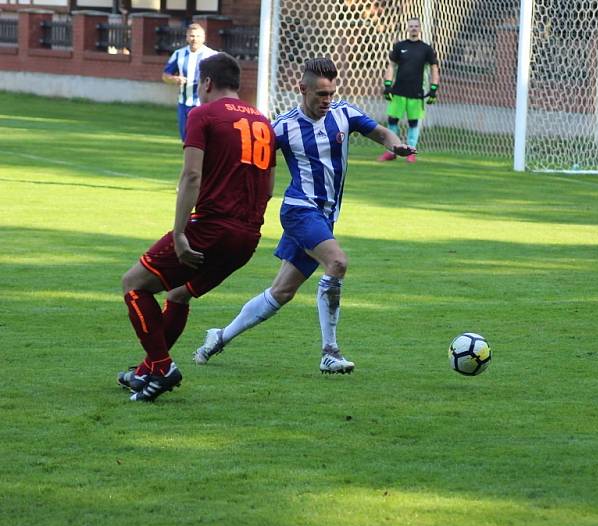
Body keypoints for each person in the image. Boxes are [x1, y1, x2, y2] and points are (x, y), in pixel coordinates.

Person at [193, 57, 415, 373]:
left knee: (281, 292)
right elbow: (254, 165)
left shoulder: (344, 113)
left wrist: (397, 145)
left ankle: (219, 337)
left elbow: (381, 133)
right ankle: (330, 351)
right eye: (321, 94)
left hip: (325, 217)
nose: (327, 100)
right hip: (299, 211)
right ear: (302, 89)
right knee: (337, 262)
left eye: (331, 93)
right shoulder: (282, 127)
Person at [118, 52, 277, 401]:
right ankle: (146, 372)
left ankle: (162, 366)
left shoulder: (202, 114)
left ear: (206, 83)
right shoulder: (264, 121)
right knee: (178, 294)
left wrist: (178, 233)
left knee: (133, 284)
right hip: (248, 237)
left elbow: (191, 175)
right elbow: (269, 186)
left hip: (210, 229)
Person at [377, 17, 440, 163]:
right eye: (411, 26)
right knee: (392, 120)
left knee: (413, 122)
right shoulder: (399, 46)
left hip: (416, 94)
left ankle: (411, 152)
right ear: (407, 27)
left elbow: (434, 67)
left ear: (420, 28)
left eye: (416, 26)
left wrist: (433, 88)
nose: (413, 28)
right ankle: (391, 151)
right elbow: (391, 65)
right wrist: (387, 85)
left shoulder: (426, 48)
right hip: (398, 92)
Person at [162, 23, 217, 141]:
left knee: (201, 138)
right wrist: (174, 79)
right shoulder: (178, 54)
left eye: (198, 36)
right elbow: (165, 76)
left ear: (203, 38)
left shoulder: (212, 55)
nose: (194, 39)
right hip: (183, 103)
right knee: (186, 139)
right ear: (187, 37)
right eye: (192, 36)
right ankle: (189, 160)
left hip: (203, 104)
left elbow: (220, 77)